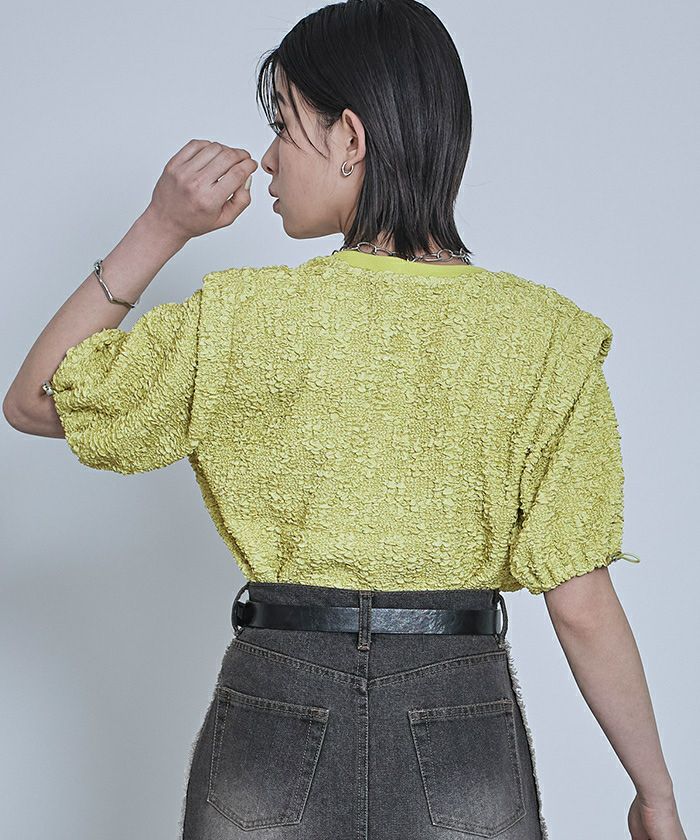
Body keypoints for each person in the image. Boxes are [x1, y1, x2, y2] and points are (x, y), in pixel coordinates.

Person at [3, 1, 686, 838]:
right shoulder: (548, 338)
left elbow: (35, 399)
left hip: (276, 708)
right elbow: (580, 603)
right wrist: (654, 792)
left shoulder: (243, 317)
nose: (268, 156)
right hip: (459, 719)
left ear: (351, 139)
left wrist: (162, 226)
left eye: (283, 125)